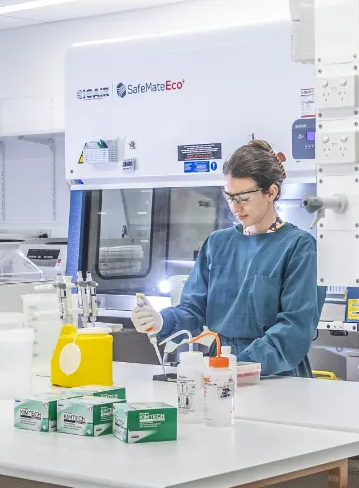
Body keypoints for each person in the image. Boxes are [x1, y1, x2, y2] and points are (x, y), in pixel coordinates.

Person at [132, 140, 319, 377]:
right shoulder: (217, 243)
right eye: (230, 197)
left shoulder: (299, 247)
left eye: (243, 198)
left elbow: (294, 330)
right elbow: (193, 310)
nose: (235, 207)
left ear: (271, 192)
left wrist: (238, 365)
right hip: (220, 366)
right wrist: (161, 321)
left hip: (276, 373)